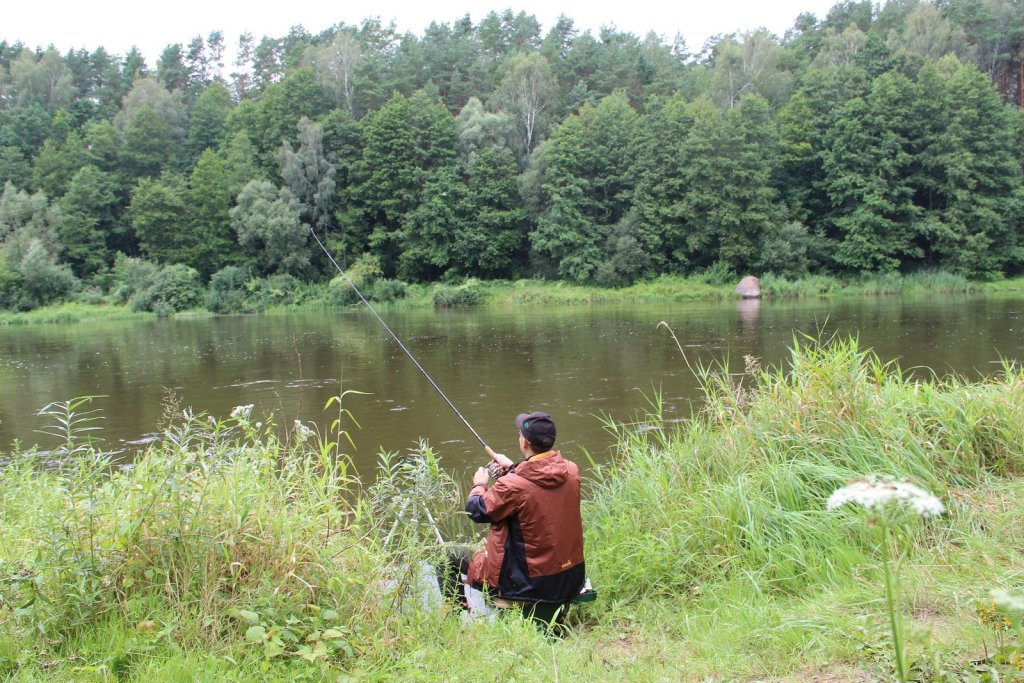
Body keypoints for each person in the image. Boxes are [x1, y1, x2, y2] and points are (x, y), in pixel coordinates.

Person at [446, 411, 586, 626]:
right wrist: (513, 468)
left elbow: (476, 511)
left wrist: (479, 485)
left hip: (528, 584)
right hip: (569, 576)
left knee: (446, 556)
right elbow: (537, 489)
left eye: (519, 434)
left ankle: (453, 619)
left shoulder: (513, 485)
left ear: (525, 442)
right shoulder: (571, 470)